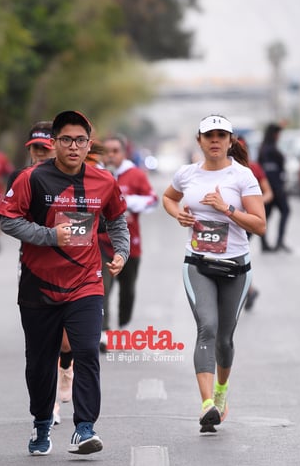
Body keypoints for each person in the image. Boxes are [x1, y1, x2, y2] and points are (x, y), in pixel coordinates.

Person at [0, 110, 129, 456]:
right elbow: (7, 219)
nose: (74, 146)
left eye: (80, 140)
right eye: (66, 140)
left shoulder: (104, 181)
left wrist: (121, 252)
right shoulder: (32, 178)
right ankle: (42, 423)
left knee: (86, 350)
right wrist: (49, 236)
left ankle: (85, 428)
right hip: (39, 285)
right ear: (54, 143)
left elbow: (117, 220)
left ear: (89, 144)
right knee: (40, 363)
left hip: (86, 281)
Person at [161, 115, 266, 433]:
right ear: (199, 141)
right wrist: (178, 213)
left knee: (224, 338)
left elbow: (259, 225)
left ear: (231, 141)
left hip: (236, 268)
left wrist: (226, 209)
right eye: (209, 136)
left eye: (222, 135)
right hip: (199, 264)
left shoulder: (243, 176)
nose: (215, 140)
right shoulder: (187, 174)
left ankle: (221, 391)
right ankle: (207, 403)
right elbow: (168, 197)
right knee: (206, 327)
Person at [6, 122, 72, 426]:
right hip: (34, 267)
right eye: (34, 150)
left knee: (68, 341)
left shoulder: (76, 177)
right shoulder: (21, 179)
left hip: (76, 266)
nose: (38, 155)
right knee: (43, 341)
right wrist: (46, 235)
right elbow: (10, 220)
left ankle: (66, 369)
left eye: (44, 149)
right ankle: (51, 406)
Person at [98, 134, 158, 340]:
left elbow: (153, 200)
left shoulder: (135, 175)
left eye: (115, 151)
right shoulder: (96, 175)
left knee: (128, 289)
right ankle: (103, 332)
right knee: (101, 287)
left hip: (130, 243)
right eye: (107, 151)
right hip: (101, 242)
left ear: (123, 153)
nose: (111, 155)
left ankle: (124, 326)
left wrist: (127, 202)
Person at [238, 135, 273, 311]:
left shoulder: (254, 168)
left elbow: (268, 193)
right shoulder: (224, 170)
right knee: (235, 258)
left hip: (247, 221)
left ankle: (248, 290)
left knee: (237, 256)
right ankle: (249, 290)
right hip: (229, 220)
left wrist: (254, 205)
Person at [258, 122, 291, 252]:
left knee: (266, 216)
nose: (279, 136)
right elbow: (270, 172)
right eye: (278, 134)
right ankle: (278, 242)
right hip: (274, 189)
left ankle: (267, 243)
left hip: (268, 189)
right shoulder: (271, 150)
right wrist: (278, 188)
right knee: (285, 211)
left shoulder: (263, 149)